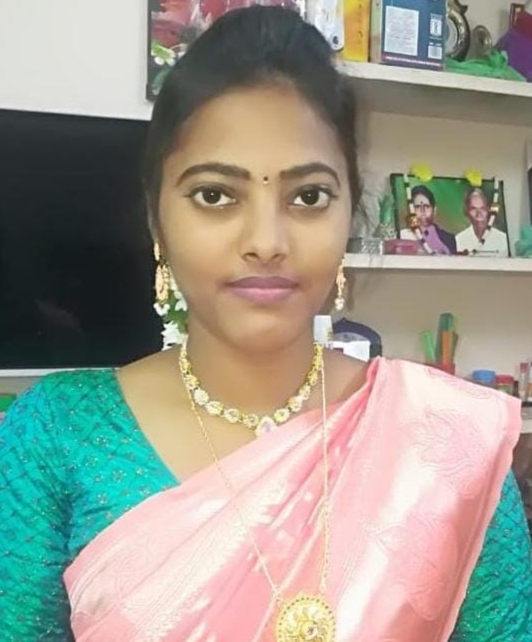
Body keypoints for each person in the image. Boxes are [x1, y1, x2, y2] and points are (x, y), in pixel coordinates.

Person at [1, 6, 531, 641]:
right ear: (156, 217)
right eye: (214, 195)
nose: (266, 241)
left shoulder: (449, 446)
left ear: (350, 213)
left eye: (308, 196)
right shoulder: (57, 436)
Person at [400, 184, 457, 254]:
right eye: (417, 207)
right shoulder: (403, 236)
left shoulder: (448, 239)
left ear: (434, 210)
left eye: (427, 206)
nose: (422, 211)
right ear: (410, 211)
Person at [456, 187, 510, 256]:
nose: (479, 214)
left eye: (482, 208)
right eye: (473, 209)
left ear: (488, 210)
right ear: (466, 211)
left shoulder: (502, 239)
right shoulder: (459, 239)